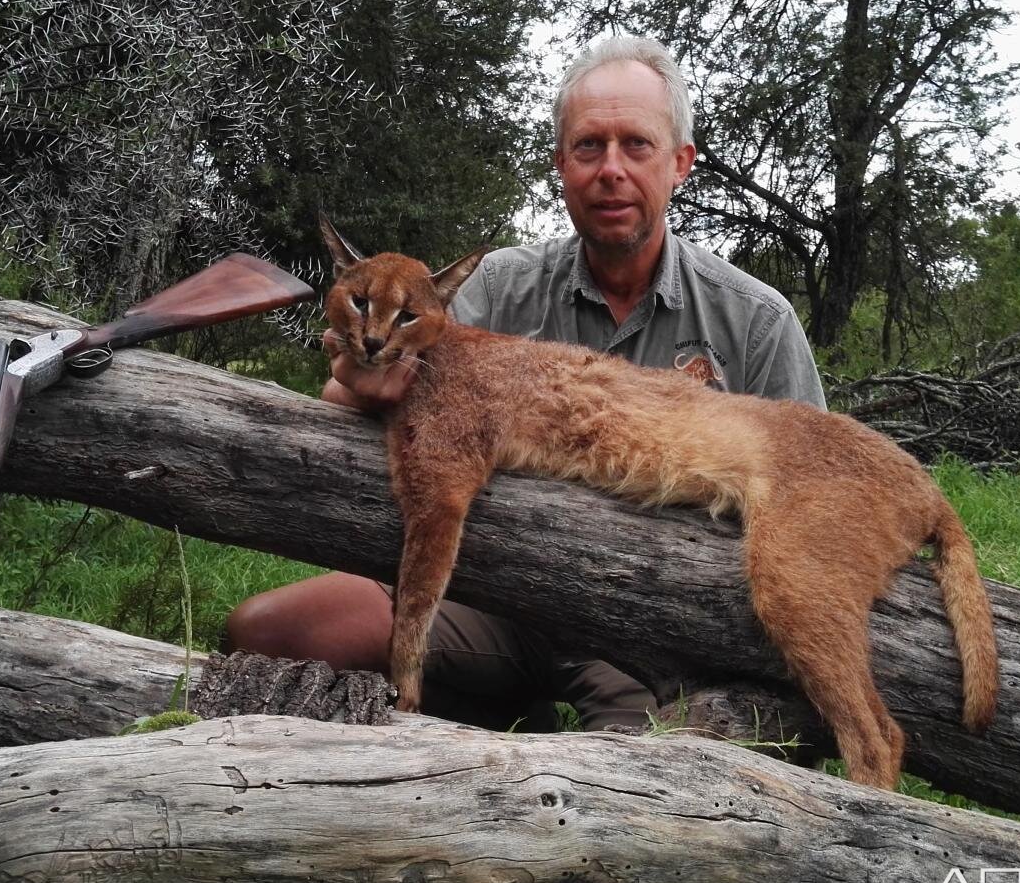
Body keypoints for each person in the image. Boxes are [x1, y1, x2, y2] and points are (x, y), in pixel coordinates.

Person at [224, 36, 825, 732]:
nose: (611, 170)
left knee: (627, 786)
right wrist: (363, 383)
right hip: (493, 592)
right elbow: (359, 400)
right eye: (588, 147)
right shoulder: (496, 286)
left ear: (680, 164)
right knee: (267, 633)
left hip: (650, 628)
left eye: (637, 145)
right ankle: (491, 715)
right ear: (559, 166)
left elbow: (810, 501)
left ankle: (541, 752)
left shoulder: (753, 322)